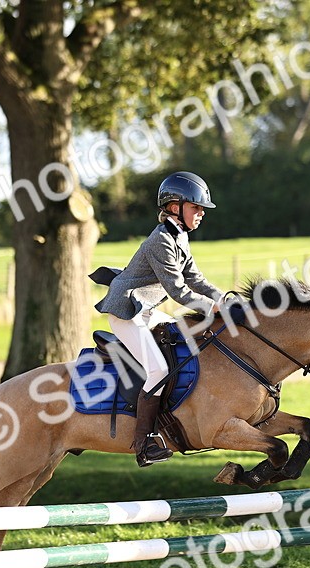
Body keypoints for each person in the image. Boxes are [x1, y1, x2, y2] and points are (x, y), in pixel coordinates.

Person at [94, 171, 225, 467]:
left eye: (202, 209)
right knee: (159, 370)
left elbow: (196, 279)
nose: (201, 214)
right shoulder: (161, 240)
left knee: (184, 339)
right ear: (174, 206)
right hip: (127, 312)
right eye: (196, 207)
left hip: (147, 310)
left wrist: (224, 298)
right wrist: (211, 308)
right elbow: (178, 291)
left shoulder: (179, 236)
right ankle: (144, 444)